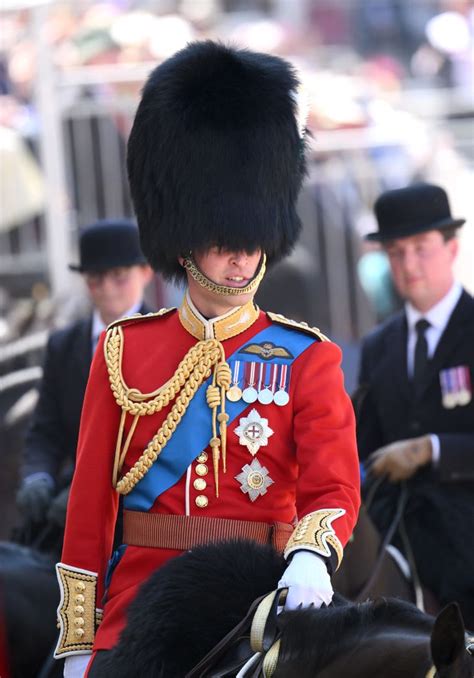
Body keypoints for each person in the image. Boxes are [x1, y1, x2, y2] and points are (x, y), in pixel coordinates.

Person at [54, 42, 360, 678]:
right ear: (185, 238)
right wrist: (80, 640)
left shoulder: (309, 357)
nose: (242, 259)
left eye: (252, 242)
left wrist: (310, 556)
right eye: (226, 243)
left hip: (257, 603)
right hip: (140, 608)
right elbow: (90, 512)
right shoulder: (125, 348)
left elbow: (332, 485)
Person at [357, 183, 474, 626]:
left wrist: (433, 448)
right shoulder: (378, 346)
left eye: (421, 248)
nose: (408, 265)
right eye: (395, 252)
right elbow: (363, 443)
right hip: (399, 538)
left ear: (452, 247)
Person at [16, 220, 154, 534]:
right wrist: (38, 477)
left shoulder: (173, 342)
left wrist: (93, 494)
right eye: (96, 279)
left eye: (119, 278)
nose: (107, 289)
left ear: (145, 272)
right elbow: (45, 430)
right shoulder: (63, 346)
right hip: (67, 509)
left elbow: (162, 443)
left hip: (143, 516)